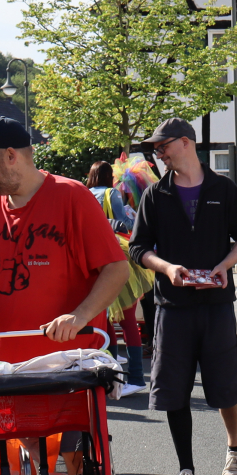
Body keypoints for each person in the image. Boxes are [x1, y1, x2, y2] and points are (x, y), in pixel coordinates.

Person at [126, 119, 237, 475]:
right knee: (173, 389)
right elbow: (138, 248)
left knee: (227, 385)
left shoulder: (222, 189)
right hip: (173, 305)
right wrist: (166, 268)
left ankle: (235, 451)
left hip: (216, 305)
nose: (158, 154)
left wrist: (225, 265)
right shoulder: (155, 194)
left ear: (185, 142)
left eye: (162, 146)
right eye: (155, 149)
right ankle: (186, 470)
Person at [0, 117, 127, 367]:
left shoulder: (73, 196)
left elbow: (116, 268)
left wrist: (80, 316)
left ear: (11, 156)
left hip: (67, 362)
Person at [86, 161, 149, 396]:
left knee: (106, 318)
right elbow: (126, 223)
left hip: (94, 259)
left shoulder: (84, 194)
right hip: (116, 254)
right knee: (128, 319)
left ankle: (112, 376)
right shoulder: (111, 194)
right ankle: (136, 376)